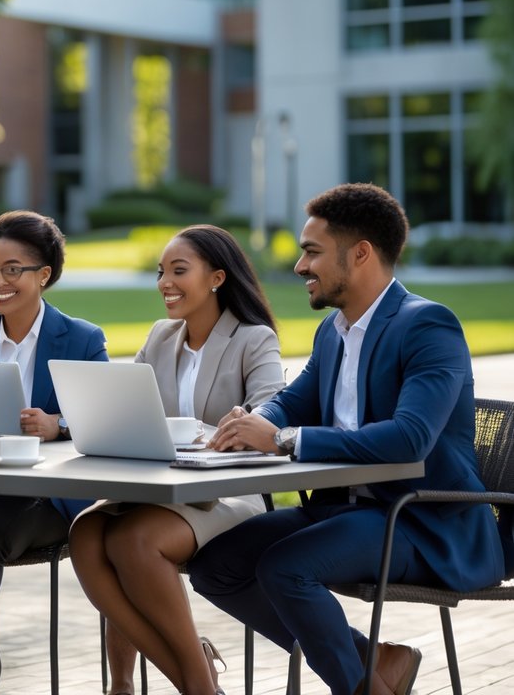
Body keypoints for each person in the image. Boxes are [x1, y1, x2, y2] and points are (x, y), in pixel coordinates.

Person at [188, 183, 506, 695]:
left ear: (359, 254)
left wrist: (285, 439)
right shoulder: (333, 331)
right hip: (345, 510)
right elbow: (290, 404)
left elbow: (409, 439)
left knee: (287, 568)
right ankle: (375, 661)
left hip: (420, 518)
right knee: (215, 567)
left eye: (312, 252)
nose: (299, 266)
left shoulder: (428, 326)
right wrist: (249, 423)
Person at [68, 224, 285, 695]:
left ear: (217, 278)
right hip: (158, 491)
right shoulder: (161, 337)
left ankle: (197, 686)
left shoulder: (253, 339)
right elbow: (125, 407)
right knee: (86, 532)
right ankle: (163, 679)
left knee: (134, 542)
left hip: (228, 496)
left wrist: (229, 427)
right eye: (161, 271)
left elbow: (273, 411)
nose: (165, 282)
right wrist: (64, 424)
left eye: (179, 271)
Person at [0, 209, 108, 692]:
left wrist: (60, 424)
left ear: (43, 275)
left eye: (13, 269)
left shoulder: (82, 339)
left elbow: (106, 420)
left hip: (46, 497)